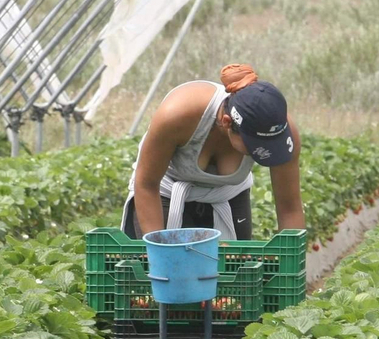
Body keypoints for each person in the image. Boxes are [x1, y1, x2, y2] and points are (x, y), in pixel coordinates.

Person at [122, 64, 304, 240]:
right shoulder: (178, 114)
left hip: (227, 194)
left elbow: (289, 207)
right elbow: (147, 184)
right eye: (255, 145)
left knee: (235, 268)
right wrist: (159, 251)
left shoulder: (281, 134)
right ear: (227, 123)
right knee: (168, 268)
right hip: (164, 192)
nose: (265, 150)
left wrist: (291, 260)